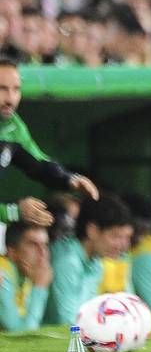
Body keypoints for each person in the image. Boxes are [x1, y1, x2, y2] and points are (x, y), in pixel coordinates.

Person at [0, 58, 100, 228]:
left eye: (16, 89)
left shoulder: (13, 127)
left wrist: (69, 178)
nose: (11, 99)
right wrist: (13, 212)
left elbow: (39, 164)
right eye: (2, 89)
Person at [44, 194, 133, 325]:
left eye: (126, 238)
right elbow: (67, 321)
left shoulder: (96, 262)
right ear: (92, 231)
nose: (123, 245)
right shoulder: (67, 261)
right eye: (116, 236)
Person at [0, 222, 51, 331]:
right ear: (13, 252)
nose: (42, 253)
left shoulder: (25, 274)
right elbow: (20, 333)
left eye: (45, 245)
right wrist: (40, 287)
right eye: (33, 245)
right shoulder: (2, 271)